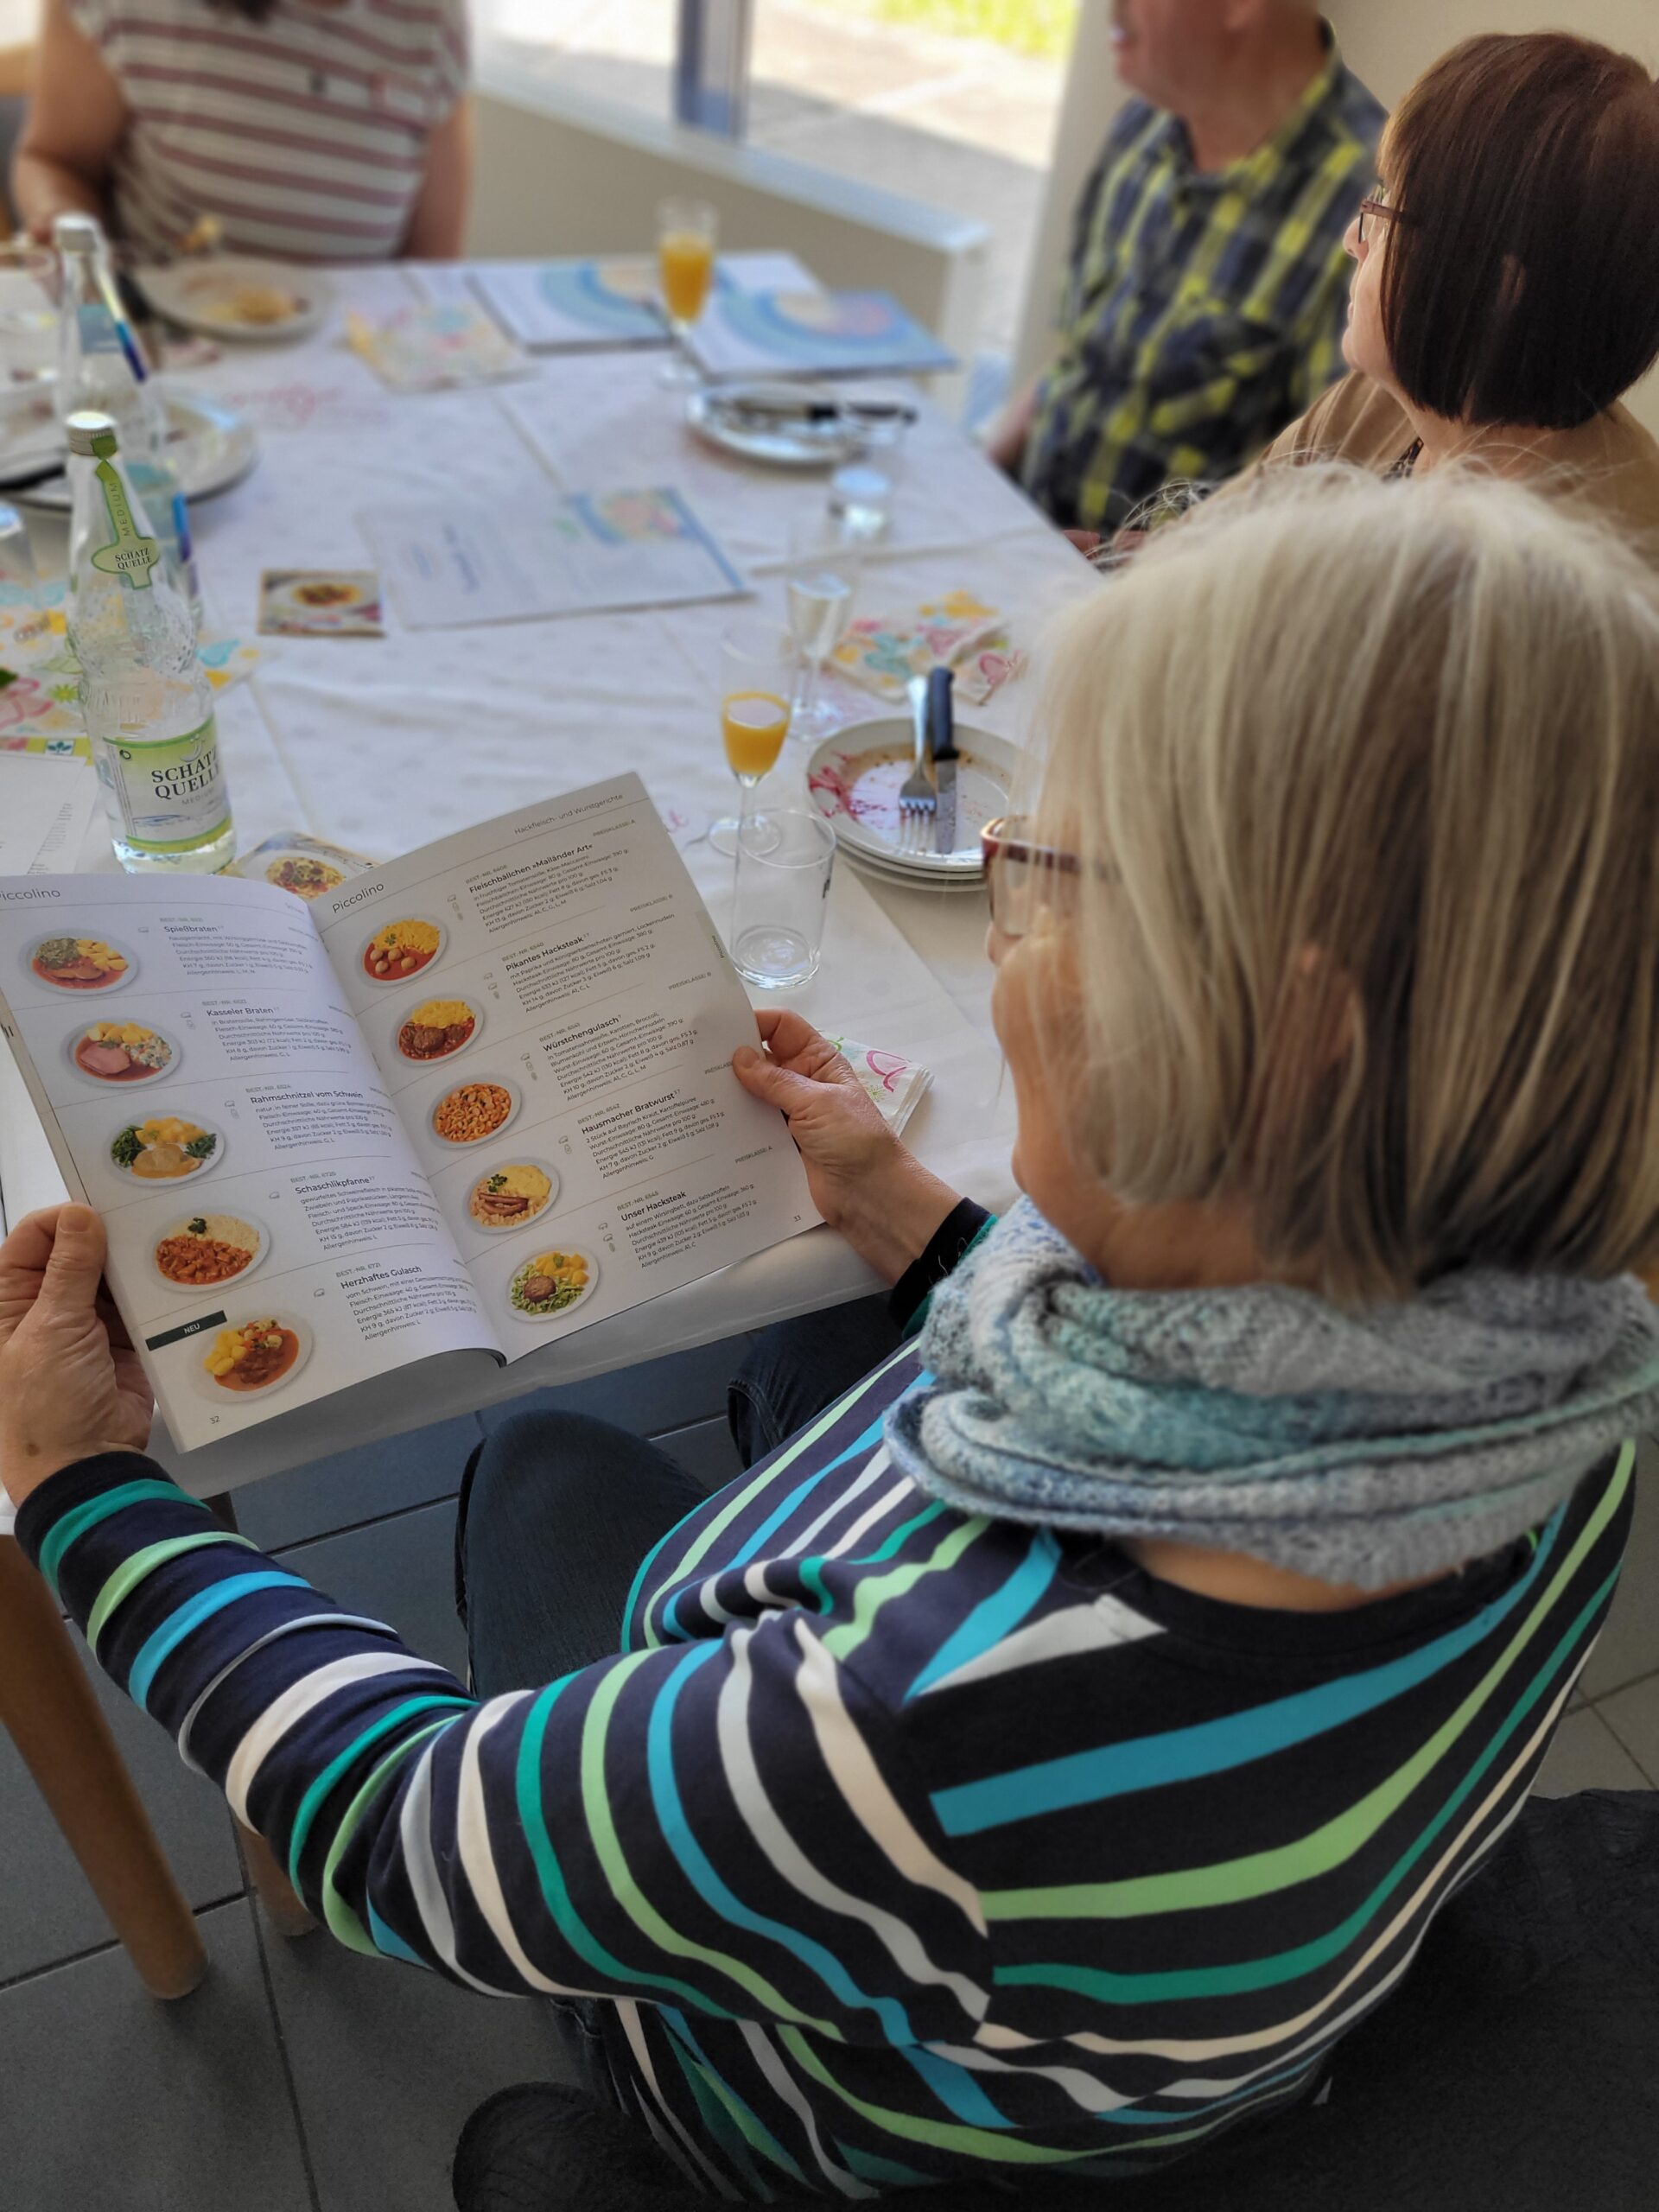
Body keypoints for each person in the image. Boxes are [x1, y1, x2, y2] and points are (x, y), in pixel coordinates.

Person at [6, 471, 1659, 2200]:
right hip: (1155, 2017)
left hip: (816, 2120)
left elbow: (396, 1827)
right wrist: (911, 1219)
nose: (1012, 943)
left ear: (1279, 1041)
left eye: (1045, 877)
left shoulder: (913, 1722)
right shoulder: (1567, 1398)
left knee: (541, 1469)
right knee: (788, 1368)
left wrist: (82, 1495)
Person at [988, 1, 1382, 536]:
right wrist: (974, 481)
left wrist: (1111, 557)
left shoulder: (1370, 211)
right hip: (1021, 531)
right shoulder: (1144, 125)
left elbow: (1317, 517)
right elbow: (1075, 367)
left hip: (1158, 583)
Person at [1243, 32, 1659, 531]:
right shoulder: (1377, 402)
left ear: (1495, 291)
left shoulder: (1592, 560)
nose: (1354, 239)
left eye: (1389, 211)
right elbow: (1203, 541)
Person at [12, 0, 472, 262]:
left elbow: (431, 268)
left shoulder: (433, 21)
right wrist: (65, 221)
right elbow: (55, 160)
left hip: (351, 362)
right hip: (162, 345)